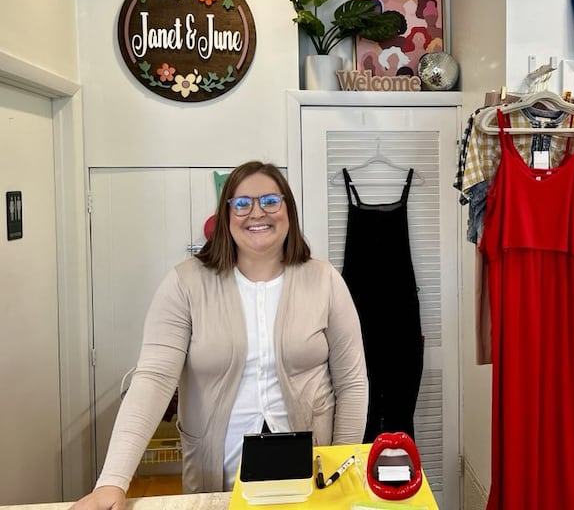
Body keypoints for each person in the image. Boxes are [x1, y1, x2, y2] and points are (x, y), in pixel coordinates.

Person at [71, 161, 368, 509]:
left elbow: (351, 382)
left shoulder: (325, 280)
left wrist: (340, 466)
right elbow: (153, 379)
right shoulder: (185, 284)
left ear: (289, 209)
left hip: (311, 471)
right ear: (226, 216)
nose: (257, 213)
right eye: (241, 204)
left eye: (271, 201)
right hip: (216, 472)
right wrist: (113, 481)